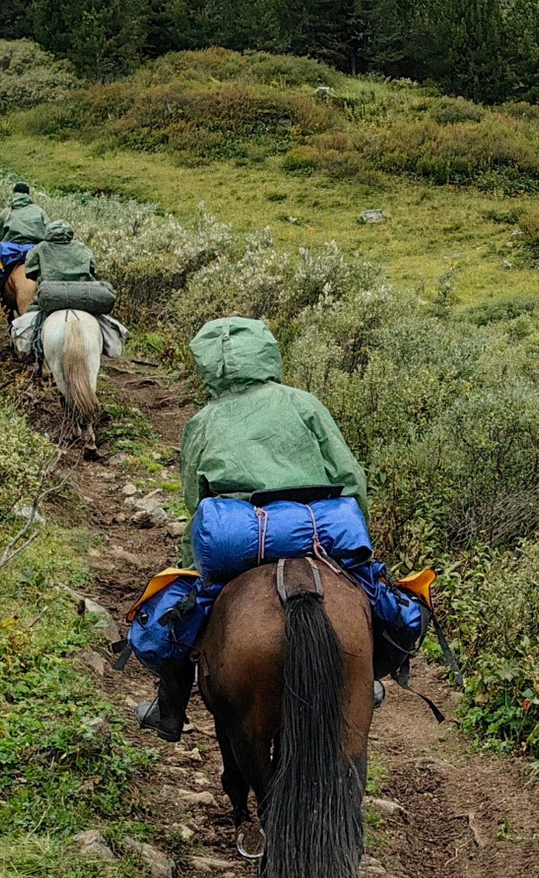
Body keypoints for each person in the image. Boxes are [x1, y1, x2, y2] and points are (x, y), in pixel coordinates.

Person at [137, 316, 370, 741]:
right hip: (318, 530)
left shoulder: (202, 422)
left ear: (208, 365)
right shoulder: (304, 404)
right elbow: (350, 477)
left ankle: (169, 709)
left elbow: (196, 501)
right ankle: (368, 681)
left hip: (238, 538)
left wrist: (192, 564)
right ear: (267, 354)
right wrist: (357, 538)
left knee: (180, 619)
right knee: (376, 598)